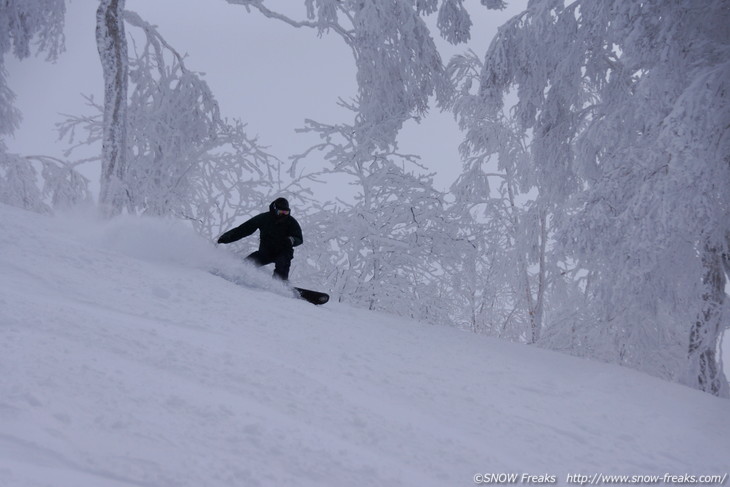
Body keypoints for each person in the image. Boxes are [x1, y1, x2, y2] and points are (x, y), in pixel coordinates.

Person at [217, 197, 303, 281]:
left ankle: (280, 285)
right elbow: (244, 229)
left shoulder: (291, 222)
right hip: (266, 251)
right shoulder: (264, 218)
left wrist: (291, 240)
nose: (283, 215)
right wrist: (226, 238)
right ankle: (236, 273)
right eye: (280, 212)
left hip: (283, 251)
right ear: (274, 210)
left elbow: (299, 238)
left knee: (283, 263)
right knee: (249, 263)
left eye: (286, 212)